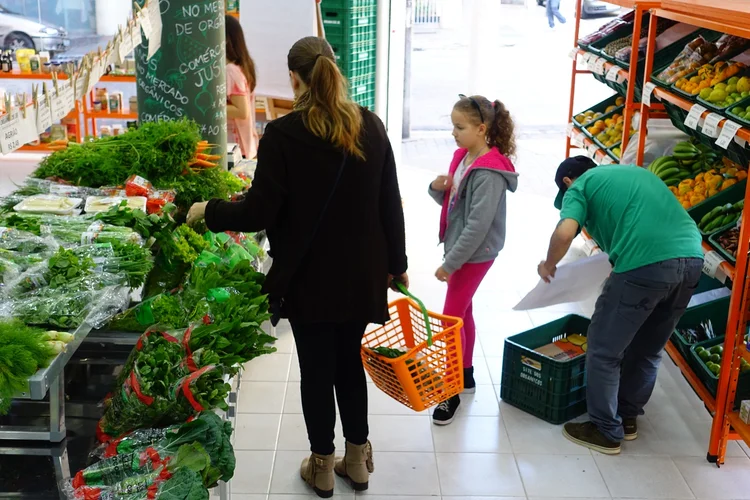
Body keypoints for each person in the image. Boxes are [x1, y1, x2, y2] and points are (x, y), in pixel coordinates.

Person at [186, 36, 408, 497]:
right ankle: (359, 462)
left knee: (317, 371)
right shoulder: (371, 125)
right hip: (362, 274)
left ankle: (323, 466)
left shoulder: (284, 136)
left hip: (308, 277)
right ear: (333, 69)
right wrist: (399, 263)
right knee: (349, 362)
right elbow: (391, 203)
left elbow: (259, 214)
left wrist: (207, 211)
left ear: (294, 77)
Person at [538, 157, 703, 455]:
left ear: (567, 182)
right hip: (692, 259)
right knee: (649, 348)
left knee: (603, 348)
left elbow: (565, 232)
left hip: (645, 264)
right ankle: (627, 418)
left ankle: (604, 429)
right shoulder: (636, 174)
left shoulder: (581, 186)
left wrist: (549, 265)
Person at [428, 95, 519, 426]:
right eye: (453, 125)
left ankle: (449, 391)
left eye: (459, 127)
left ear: (482, 129)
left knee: (449, 319)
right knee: (462, 311)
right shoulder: (463, 157)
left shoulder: (489, 173)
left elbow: (479, 226)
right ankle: (465, 375)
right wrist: (437, 189)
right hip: (461, 247)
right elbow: (456, 203)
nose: (454, 133)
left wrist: (450, 263)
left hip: (475, 254)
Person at [225, 14, 259, 159]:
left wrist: (209, 107)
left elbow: (241, 110)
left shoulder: (230, 70)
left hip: (236, 148)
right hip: (245, 145)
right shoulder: (242, 65)